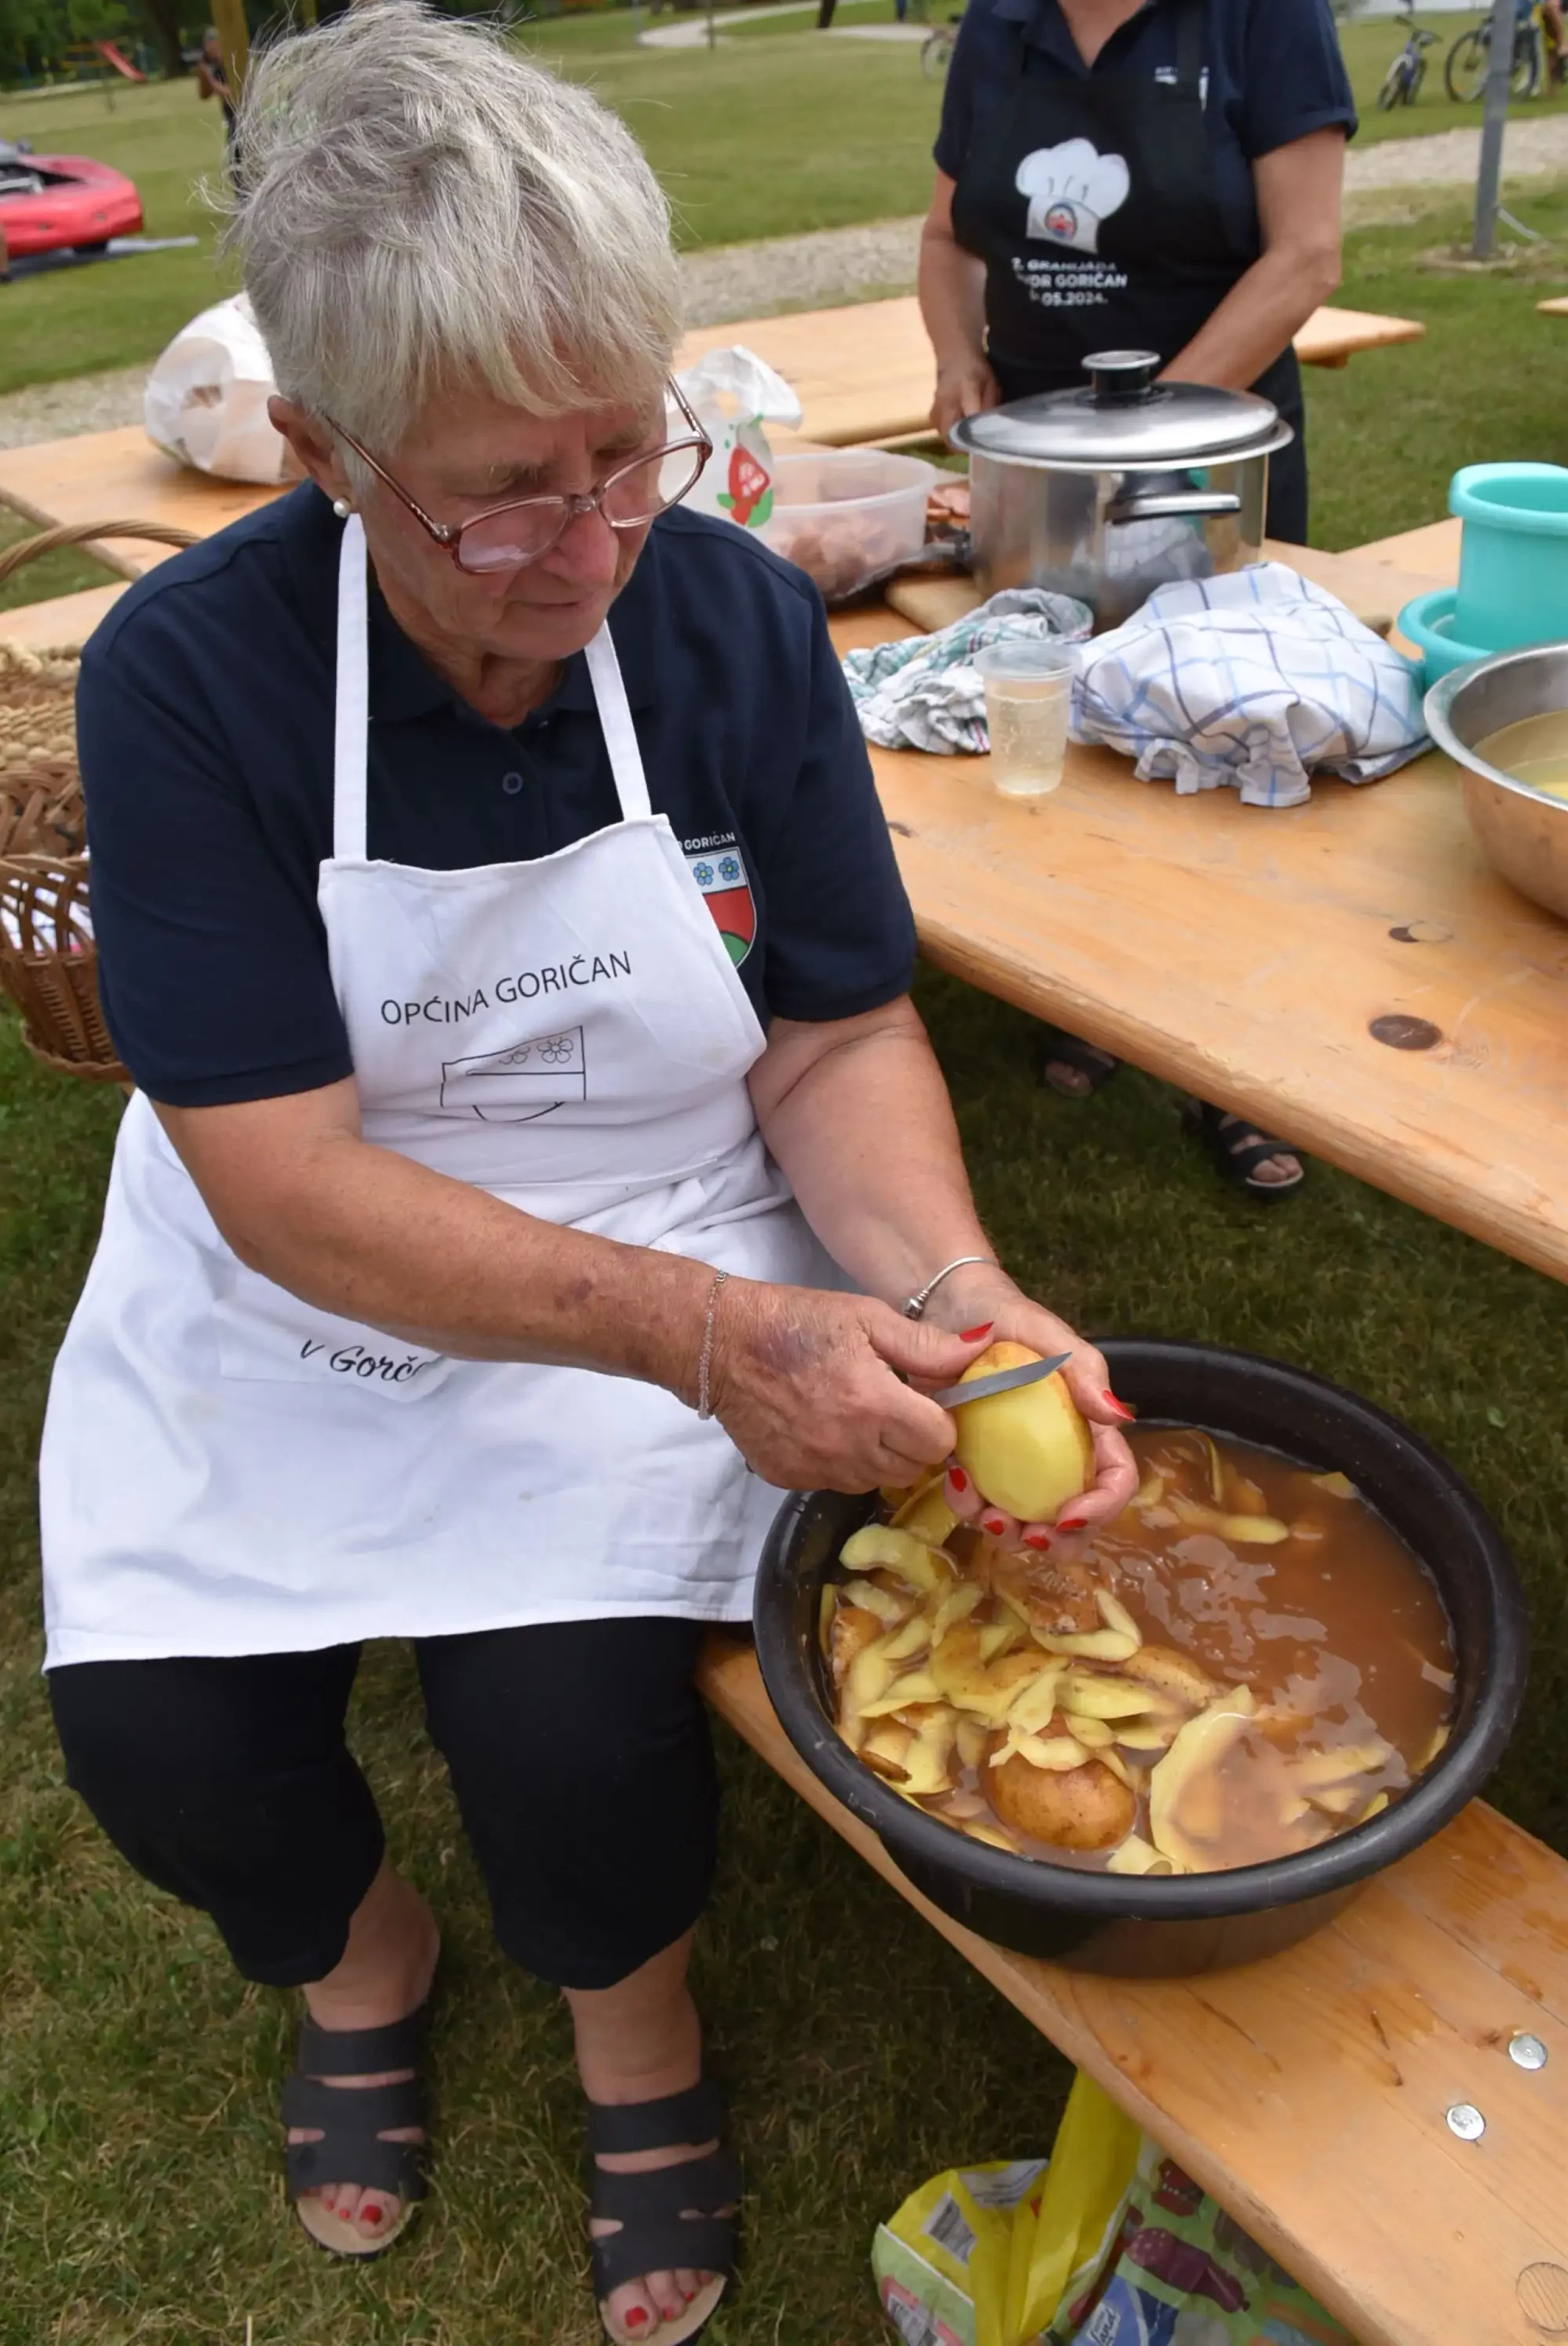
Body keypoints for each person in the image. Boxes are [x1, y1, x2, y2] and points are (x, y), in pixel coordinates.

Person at [39, 10, 1136, 2344]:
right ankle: (364, 1957)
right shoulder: (188, 681)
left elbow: (831, 1030)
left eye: (627, 449)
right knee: (164, 1736)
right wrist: (721, 1346)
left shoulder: (726, 616)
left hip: (650, 1199)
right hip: (305, 1245)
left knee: (568, 1710)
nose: (593, 541)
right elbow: (286, 1174)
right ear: (325, 454)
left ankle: (633, 2031)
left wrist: (954, 1270)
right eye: (503, 495)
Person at [918, 0, 1355, 1200]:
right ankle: (1096, 995)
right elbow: (950, 237)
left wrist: (1144, 430)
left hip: (1209, 461)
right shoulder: (999, 23)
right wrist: (958, 358)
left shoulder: (1261, 17)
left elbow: (1303, 255)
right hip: (1028, 471)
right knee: (1058, 736)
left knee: (1224, 746)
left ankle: (1242, 1071)